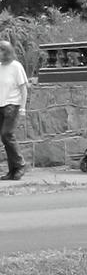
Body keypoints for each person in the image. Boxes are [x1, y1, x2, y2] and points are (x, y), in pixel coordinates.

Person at [0, 41, 29, 180]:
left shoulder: (16, 66)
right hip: (1, 105)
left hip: (12, 105)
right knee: (5, 138)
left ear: (6, 52)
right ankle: (13, 171)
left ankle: (20, 164)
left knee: (7, 134)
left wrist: (23, 107)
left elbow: (23, 88)